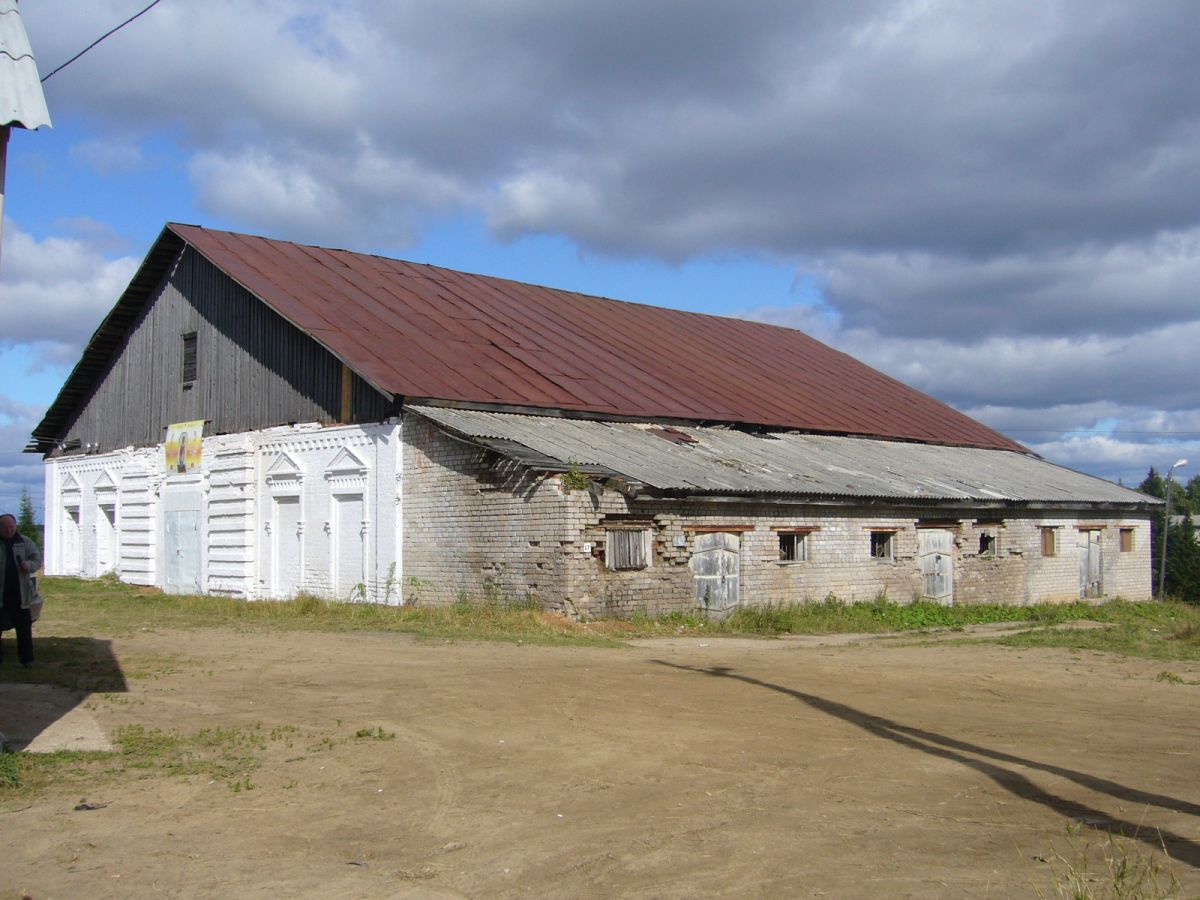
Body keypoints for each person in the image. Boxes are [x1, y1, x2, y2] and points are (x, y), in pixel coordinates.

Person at [0, 512, 42, 667]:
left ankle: (27, 659)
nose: (8, 530)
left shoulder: (25, 542)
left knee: (24, 629)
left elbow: (37, 560)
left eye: (11, 526)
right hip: (1, 594)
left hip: (21, 594)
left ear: (15, 526)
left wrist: (28, 565)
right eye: (4, 527)